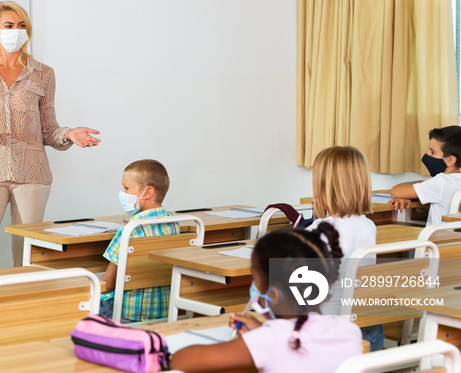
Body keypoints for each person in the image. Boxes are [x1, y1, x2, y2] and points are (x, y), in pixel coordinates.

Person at [0, 1, 101, 271]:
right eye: (9, 26)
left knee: (29, 260)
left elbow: (48, 130)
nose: (16, 31)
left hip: (32, 175)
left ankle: (24, 312)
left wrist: (69, 134)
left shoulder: (43, 74)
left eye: (22, 26)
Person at [169, 224, 363, 373]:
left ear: (273, 295)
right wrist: (262, 331)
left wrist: (259, 336)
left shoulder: (270, 339)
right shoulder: (349, 331)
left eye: (256, 280)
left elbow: (180, 361)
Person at [308, 145, 381, 350]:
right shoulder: (368, 225)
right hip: (368, 330)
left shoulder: (322, 230)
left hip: (332, 334)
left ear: (321, 188)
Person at [99, 159, 179, 322]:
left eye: (126, 188)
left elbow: (108, 284)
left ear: (148, 193)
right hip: (164, 310)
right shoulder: (174, 225)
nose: (123, 192)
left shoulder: (130, 231)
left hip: (127, 312)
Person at [389, 126, 461, 224]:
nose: (427, 154)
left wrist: (422, 184)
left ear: (450, 160)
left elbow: (395, 191)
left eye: (433, 152)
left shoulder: (441, 182)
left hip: (436, 238)